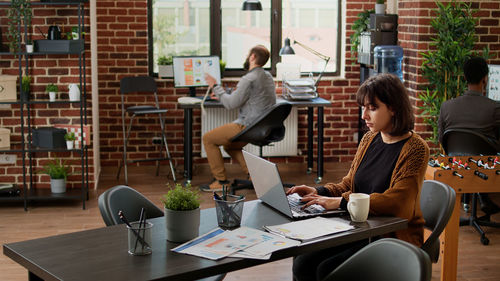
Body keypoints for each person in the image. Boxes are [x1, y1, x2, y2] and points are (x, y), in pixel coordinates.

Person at [287, 74, 429, 281]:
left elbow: (398, 202)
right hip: (359, 227)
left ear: (394, 108)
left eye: (372, 108)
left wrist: (342, 202)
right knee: (303, 260)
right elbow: (349, 183)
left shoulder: (415, 148)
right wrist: (319, 192)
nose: (364, 116)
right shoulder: (369, 139)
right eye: (363, 107)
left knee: (326, 270)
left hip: (389, 235)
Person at [200, 45, 276, 192]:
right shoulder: (267, 77)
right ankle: (254, 175)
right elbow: (250, 97)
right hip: (262, 126)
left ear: (253, 56)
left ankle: (221, 181)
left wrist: (215, 85)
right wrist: (224, 94)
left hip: (247, 126)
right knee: (230, 146)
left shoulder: (249, 78)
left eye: (248, 54)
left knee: (208, 139)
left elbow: (230, 104)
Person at [438, 56, 500, 215]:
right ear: (485, 79)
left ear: (464, 78)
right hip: (488, 169)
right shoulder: (494, 108)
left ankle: (480, 199)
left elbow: (441, 139)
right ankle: (483, 198)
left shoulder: (447, 106)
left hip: (456, 164)